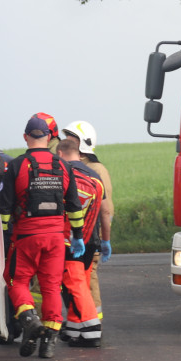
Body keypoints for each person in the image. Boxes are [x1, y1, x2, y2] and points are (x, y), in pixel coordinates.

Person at [0, 115, 86, 359]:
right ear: (49, 138)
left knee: (15, 280)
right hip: (57, 238)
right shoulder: (64, 166)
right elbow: (74, 206)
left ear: (26, 137)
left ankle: (29, 319)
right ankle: (49, 341)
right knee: (51, 288)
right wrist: (77, 235)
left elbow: (4, 208)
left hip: (26, 235)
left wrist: (6, 238)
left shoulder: (16, 166)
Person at [57, 138, 110, 347]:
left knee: (75, 285)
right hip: (91, 242)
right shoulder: (95, 176)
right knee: (80, 285)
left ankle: (91, 331)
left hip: (70, 241)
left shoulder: (63, 174)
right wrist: (106, 241)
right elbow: (105, 212)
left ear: (60, 154)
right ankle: (74, 329)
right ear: (79, 153)